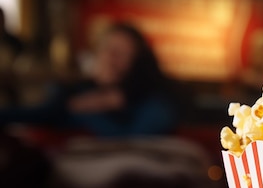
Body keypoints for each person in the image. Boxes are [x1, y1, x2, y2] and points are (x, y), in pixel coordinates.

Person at [0, 22, 178, 136]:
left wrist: (98, 108)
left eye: (122, 54)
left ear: (137, 63)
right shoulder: (73, 93)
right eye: (107, 49)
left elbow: (137, 138)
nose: (111, 58)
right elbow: (37, 114)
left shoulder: (150, 103)